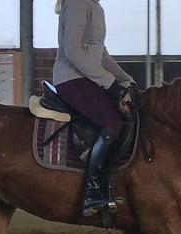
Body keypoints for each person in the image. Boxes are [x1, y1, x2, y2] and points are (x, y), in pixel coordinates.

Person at [53, 0, 136, 217]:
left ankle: (110, 184)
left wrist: (125, 79)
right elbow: (72, 50)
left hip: (88, 78)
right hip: (72, 78)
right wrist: (108, 82)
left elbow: (101, 53)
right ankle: (92, 192)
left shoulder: (96, 6)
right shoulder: (79, 4)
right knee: (111, 122)